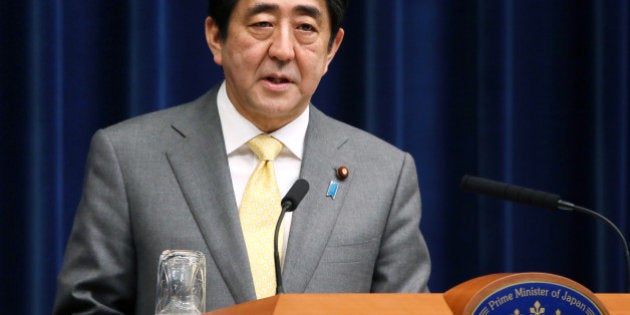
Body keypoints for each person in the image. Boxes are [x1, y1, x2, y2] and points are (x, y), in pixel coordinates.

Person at [54, 0, 431, 313]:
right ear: (216, 37)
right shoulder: (129, 157)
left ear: (331, 48)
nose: (283, 50)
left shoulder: (384, 174)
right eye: (263, 24)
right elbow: (87, 307)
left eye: (305, 28)